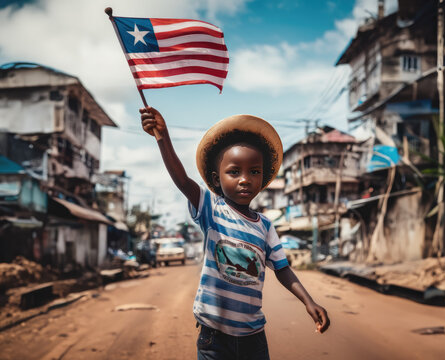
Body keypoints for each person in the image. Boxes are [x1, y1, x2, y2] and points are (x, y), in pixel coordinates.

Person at [141, 107, 330, 360]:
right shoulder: (211, 209)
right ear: (216, 179)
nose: (244, 179)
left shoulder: (265, 226)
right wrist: (162, 138)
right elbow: (182, 180)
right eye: (234, 171)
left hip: (253, 337)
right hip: (214, 337)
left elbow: (282, 269)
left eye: (254, 171)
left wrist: (309, 301)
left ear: (262, 178)